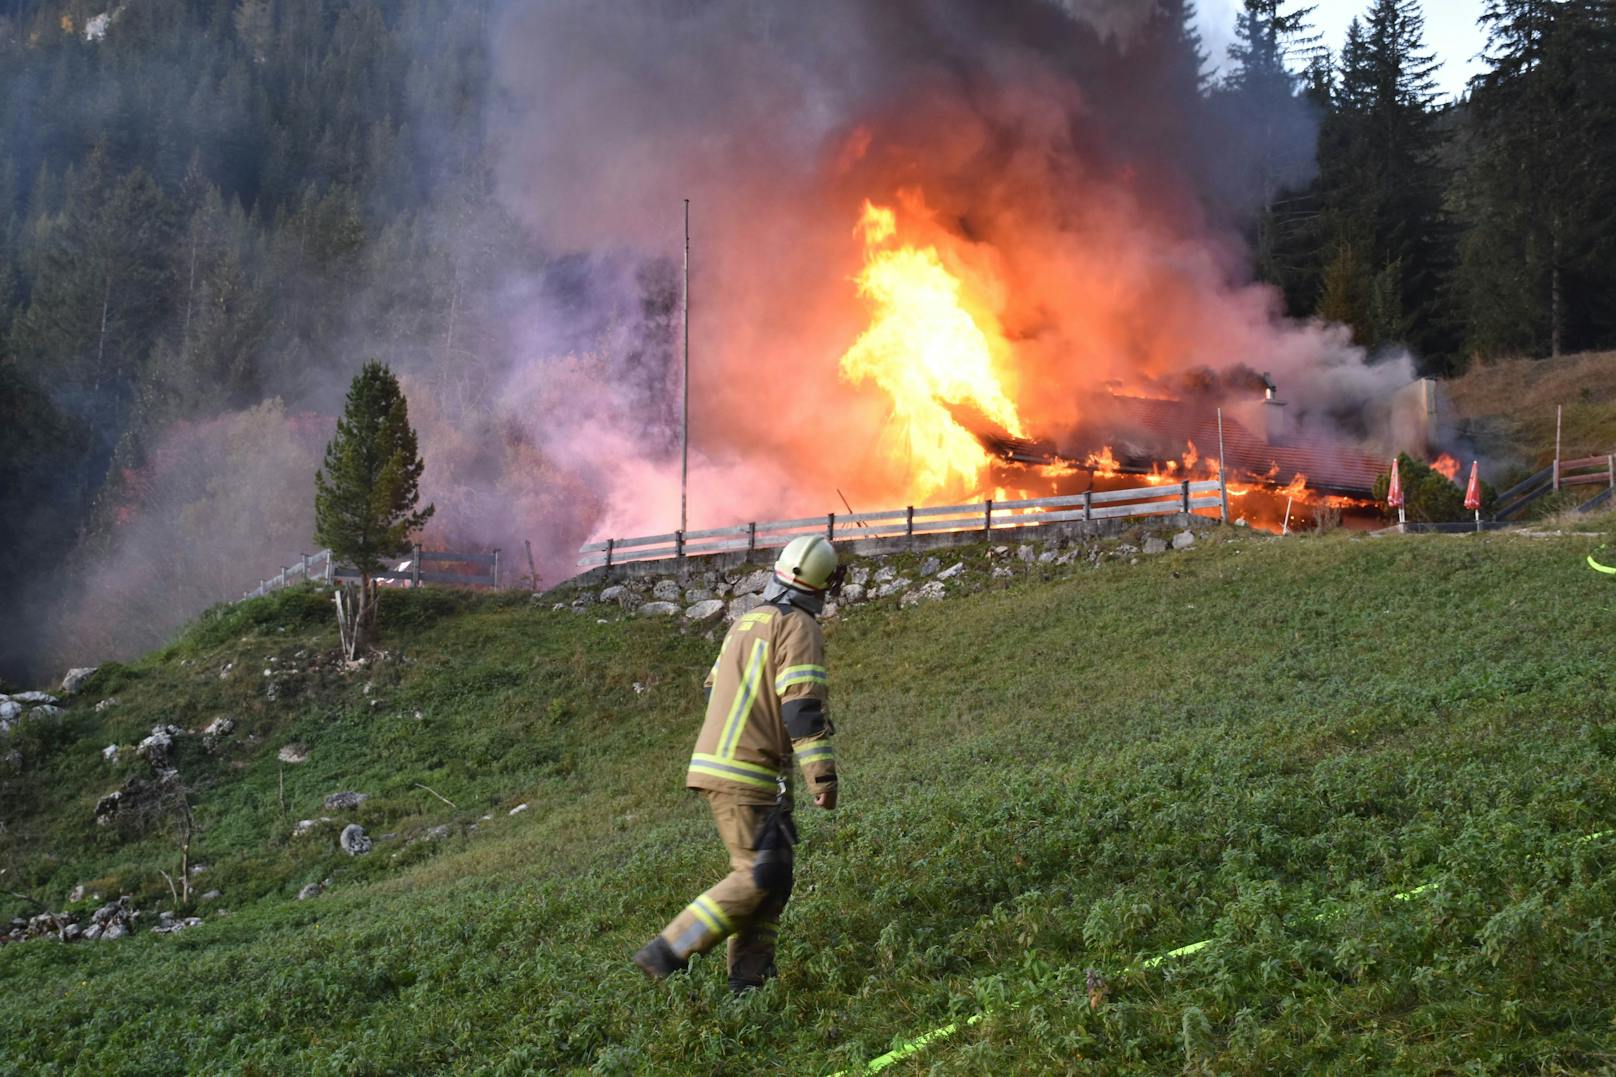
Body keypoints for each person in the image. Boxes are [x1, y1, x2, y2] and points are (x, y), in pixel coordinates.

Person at [634, 534, 843, 993]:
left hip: (729, 765)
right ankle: (670, 948)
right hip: (747, 773)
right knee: (757, 875)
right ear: (823, 584)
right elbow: (801, 708)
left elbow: (714, 689)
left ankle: (750, 981)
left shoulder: (748, 622)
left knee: (776, 874)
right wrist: (821, 776)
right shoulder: (800, 627)